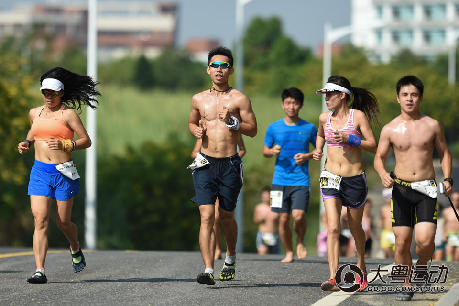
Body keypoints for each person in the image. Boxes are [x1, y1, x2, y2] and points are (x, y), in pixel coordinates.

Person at [17, 67, 100, 284]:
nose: (48, 97)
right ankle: (39, 270)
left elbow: (86, 140)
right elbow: (32, 134)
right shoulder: (35, 113)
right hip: (40, 172)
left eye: (52, 93)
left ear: (61, 93)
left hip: (64, 173)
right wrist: (26, 144)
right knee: (40, 220)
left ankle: (74, 246)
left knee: (63, 222)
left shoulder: (68, 114)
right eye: (45, 93)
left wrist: (67, 143)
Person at [374, 75, 452, 301]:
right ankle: (406, 285)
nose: (410, 99)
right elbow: (379, 158)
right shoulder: (390, 129)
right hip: (401, 189)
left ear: (421, 98)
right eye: (405, 95)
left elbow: (445, 152)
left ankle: (423, 266)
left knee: (425, 241)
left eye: (414, 95)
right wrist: (382, 174)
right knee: (401, 242)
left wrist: (448, 179)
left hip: (426, 187)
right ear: (398, 98)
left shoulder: (432, 125)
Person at [188, 46, 257, 285]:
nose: (219, 70)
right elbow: (191, 121)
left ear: (231, 69)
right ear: (208, 70)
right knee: (206, 215)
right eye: (215, 66)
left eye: (224, 66)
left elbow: (253, 130)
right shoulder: (198, 99)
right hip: (205, 162)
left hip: (229, 163)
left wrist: (233, 122)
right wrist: (195, 129)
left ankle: (230, 257)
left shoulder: (239, 98)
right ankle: (208, 269)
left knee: (226, 215)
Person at [313, 75, 379, 292]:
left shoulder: (357, 116)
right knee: (332, 227)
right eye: (325, 94)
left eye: (330, 94)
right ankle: (333, 276)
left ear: (342, 95)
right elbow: (321, 134)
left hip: (354, 178)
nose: (326, 98)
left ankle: (361, 265)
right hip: (330, 176)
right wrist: (318, 149)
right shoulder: (324, 118)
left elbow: (373, 145)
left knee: (354, 227)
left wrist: (351, 139)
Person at [263, 87, 317, 263]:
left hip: (300, 179)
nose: (291, 106)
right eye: (288, 103)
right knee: (282, 218)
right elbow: (265, 150)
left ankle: (300, 241)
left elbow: (319, 150)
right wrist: (272, 151)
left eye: (295, 103)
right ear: (282, 104)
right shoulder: (274, 127)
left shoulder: (309, 128)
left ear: (300, 105)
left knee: (299, 216)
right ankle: (288, 252)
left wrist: (307, 155)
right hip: (279, 180)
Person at [191, 136, 246, 260]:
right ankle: (216, 249)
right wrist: (205, 160)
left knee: (225, 215)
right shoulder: (206, 133)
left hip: (228, 172)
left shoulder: (232, 128)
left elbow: (242, 150)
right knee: (213, 216)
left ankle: (230, 250)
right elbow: (194, 153)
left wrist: (230, 163)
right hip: (209, 174)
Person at [253, 187, 280, 255]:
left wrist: (277, 217)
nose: (266, 197)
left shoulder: (276, 208)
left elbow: (282, 220)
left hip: (274, 234)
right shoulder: (259, 207)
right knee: (262, 252)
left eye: (268, 195)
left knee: (274, 255)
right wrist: (260, 218)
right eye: (264, 195)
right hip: (263, 234)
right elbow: (255, 220)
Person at [379, 188, 395, 259]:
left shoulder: (396, 207)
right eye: (387, 197)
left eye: (390, 197)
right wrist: (381, 222)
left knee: (396, 252)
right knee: (386, 251)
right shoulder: (383, 208)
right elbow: (382, 218)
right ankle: (386, 263)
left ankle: (395, 264)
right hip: (386, 232)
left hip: (395, 232)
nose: (388, 199)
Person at [443, 191, 459, 261]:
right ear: (451, 200)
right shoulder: (446, 211)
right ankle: (450, 271)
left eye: (458, 199)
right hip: (450, 235)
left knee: (457, 258)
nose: (455, 201)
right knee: (449, 258)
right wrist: (444, 234)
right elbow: (443, 224)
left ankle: (456, 271)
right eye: (453, 199)